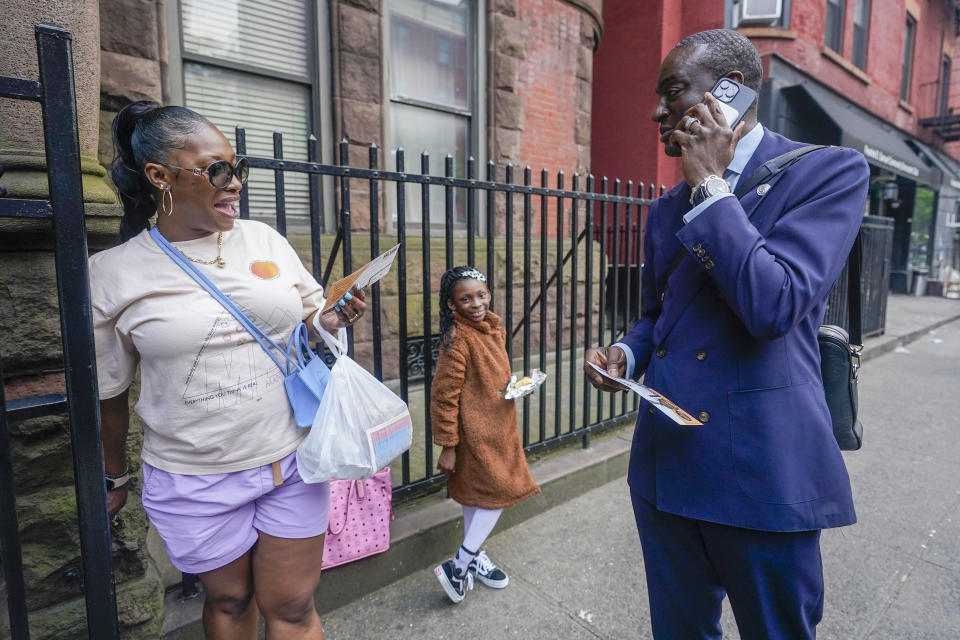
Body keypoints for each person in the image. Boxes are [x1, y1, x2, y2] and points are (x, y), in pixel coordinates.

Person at [584, 29, 867, 639]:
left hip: (761, 471)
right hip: (668, 468)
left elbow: (774, 304)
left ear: (730, 92)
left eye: (673, 92)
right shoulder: (664, 208)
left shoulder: (827, 174)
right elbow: (659, 314)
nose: (657, 111)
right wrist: (626, 353)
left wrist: (711, 185)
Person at [90, 101, 366, 640]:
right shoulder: (112, 274)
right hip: (194, 477)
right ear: (159, 176)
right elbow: (109, 394)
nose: (235, 182)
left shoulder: (263, 239)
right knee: (230, 600)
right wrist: (113, 476)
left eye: (238, 168)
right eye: (217, 169)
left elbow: (310, 322)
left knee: (290, 606)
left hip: (292, 460)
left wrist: (329, 318)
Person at [430, 266, 541, 603]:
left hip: (499, 425)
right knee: (501, 489)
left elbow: (489, 378)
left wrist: (515, 387)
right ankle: (459, 565)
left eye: (481, 294)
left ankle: (473, 556)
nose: (476, 303)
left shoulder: (490, 329)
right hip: (476, 434)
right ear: (452, 305)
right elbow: (444, 395)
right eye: (466, 298)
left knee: (475, 495)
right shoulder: (458, 339)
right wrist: (448, 445)